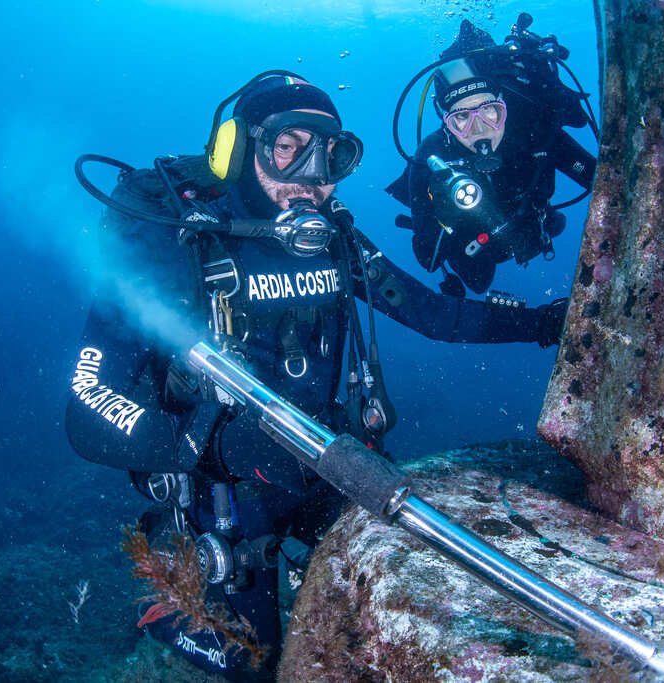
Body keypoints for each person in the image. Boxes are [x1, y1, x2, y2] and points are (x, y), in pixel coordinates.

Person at [66, 72, 567, 681]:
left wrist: (548, 323)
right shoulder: (172, 247)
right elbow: (88, 403)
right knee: (258, 665)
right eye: (288, 148)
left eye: (333, 154)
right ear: (239, 151)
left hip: (326, 467)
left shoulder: (336, 241)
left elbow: (435, 314)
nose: (313, 175)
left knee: (405, 602)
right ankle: (188, 620)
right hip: (221, 496)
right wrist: (215, 445)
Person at [387, 18, 598, 296]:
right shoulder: (432, 155)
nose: (480, 129)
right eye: (461, 117)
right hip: (477, 247)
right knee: (478, 281)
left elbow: (599, 179)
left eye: (490, 111)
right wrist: (444, 214)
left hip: (532, 224)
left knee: (555, 224)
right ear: (445, 123)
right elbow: (429, 260)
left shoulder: (532, 130)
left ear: (505, 107)